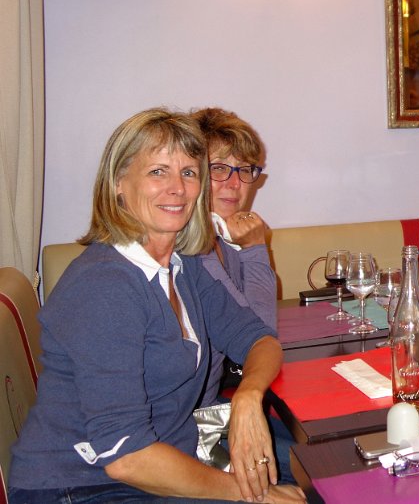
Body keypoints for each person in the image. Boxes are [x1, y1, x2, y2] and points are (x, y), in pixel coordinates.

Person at [8, 109, 304, 503]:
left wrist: (249, 396)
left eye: (188, 172)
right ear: (118, 183)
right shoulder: (105, 285)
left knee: (319, 471)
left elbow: (258, 338)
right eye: (157, 172)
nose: (177, 188)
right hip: (83, 485)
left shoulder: (182, 265)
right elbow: (126, 458)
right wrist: (252, 494)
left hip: (163, 460)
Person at [192, 107, 296, 485]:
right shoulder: (192, 250)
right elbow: (255, 337)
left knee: (323, 446)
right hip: (193, 427)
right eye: (220, 169)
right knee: (318, 466)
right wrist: (255, 249)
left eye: (246, 170)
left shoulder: (221, 237)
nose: (235, 184)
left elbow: (255, 332)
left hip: (214, 405)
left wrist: (248, 248)